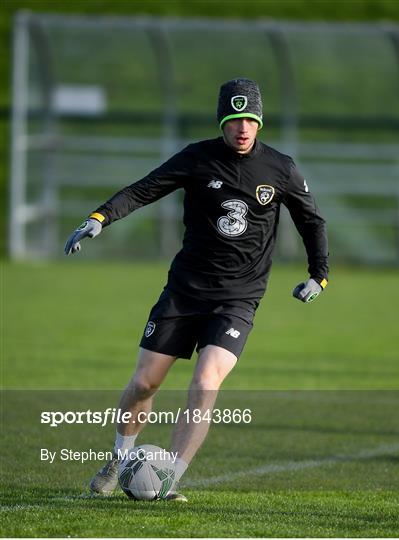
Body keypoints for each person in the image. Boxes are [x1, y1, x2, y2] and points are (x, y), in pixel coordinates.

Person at [64, 78, 329, 502]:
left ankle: (169, 476)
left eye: (250, 120)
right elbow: (143, 190)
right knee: (145, 383)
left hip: (237, 300)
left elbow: (312, 222)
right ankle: (119, 457)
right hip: (184, 292)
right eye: (234, 119)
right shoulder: (197, 158)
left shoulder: (282, 168)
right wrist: (100, 217)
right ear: (221, 122)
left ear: (260, 123)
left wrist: (319, 275)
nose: (243, 128)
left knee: (205, 382)